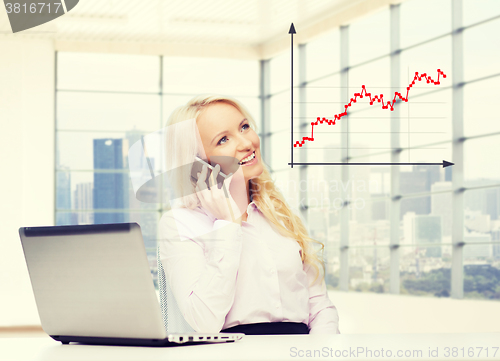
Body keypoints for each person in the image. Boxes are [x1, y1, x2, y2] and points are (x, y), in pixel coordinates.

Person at [158, 95, 340, 335]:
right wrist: (227, 225)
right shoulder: (180, 223)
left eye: (244, 127)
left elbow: (319, 308)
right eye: (223, 139)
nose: (246, 142)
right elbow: (203, 321)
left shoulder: (280, 215)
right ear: (198, 165)